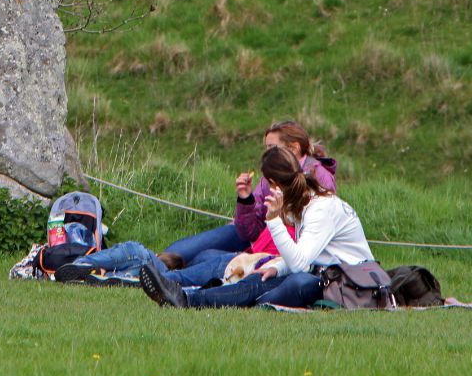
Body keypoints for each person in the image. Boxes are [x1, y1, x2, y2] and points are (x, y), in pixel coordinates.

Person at [55, 120, 334, 285]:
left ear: (294, 150)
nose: (266, 156)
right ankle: (95, 269)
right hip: (251, 245)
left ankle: (98, 269)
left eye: (272, 148)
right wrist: (246, 199)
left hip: (257, 255)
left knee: (160, 260)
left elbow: (299, 247)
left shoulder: (314, 189)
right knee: (174, 256)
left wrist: (272, 221)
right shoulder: (270, 182)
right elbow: (251, 230)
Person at [138, 145, 374, 309]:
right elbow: (306, 256)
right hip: (321, 273)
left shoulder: (322, 208)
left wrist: (274, 221)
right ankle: (183, 294)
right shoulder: (305, 202)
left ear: (273, 183)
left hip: (346, 282)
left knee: (279, 284)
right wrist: (278, 267)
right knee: (262, 276)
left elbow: (301, 263)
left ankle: (187, 298)